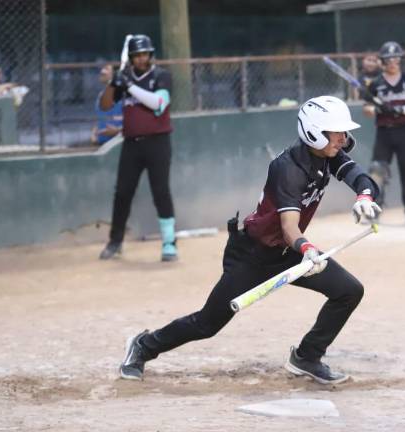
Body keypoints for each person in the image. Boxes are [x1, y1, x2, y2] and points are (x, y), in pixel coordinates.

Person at [118, 95, 382, 384]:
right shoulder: (288, 168)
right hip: (253, 255)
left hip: (290, 252)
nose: (343, 138)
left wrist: (364, 198)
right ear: (314, 132)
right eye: (336, 132)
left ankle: (307, 357)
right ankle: (143, 346)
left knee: (349, 291)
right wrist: (307, 248)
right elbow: (289, 228)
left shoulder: (329, 156)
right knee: (208, 323)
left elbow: (361, 179)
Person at [98, 34, 178, 262]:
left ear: (151, 55)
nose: (142, 59)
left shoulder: (161, 76)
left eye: (145, 54)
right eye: (137, 55)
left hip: (158, 142)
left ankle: (169, 242)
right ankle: (115, 241)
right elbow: (105, 105)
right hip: (131, 144)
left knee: (160, 192)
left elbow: (158, 104)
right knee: (122, 193)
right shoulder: (124, 79)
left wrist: (130, 86)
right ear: (131, 58)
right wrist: (114, 83)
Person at [363, 41, 405, 226]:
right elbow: (367, 108)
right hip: (384, 133)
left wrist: (401, 110)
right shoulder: (376, 84)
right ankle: (374, 212)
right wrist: (378, 109)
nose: (392, 62)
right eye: (388, 59)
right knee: (377, 171)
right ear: (382, 61)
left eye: (396, 58)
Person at [91, 63, 122, 145]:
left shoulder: (124, 95)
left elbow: (133, 121)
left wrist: (117, 131)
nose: (102, 71)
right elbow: (99, 118)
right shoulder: (101, 95)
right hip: (101, 145)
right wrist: (93, 134)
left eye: (106, 69)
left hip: (118, 144)